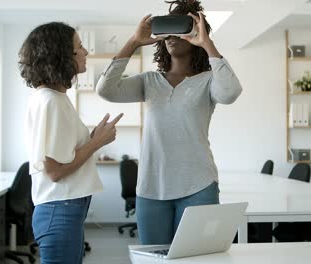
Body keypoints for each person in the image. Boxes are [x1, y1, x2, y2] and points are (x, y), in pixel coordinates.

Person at [96, 0, 242, 245]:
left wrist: (207, 43)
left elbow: (230, 92)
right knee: (154, 258)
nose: (172, 36)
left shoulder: (208, 81)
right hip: (152, 187)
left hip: (199, 186)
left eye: (180, 28)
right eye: (167, 30)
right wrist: (133, 42)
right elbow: (106, 90)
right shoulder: (149, 81)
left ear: (194, 32)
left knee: (197, 260)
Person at [21, 22, 123, 263]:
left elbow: (61, 155)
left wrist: (92, 138)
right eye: (80, 47)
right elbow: (55, 171)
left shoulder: (53, 97)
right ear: (60, 54)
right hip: (60, 209)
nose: (86, 52)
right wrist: (96, 143)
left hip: (64, 208)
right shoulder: (51, 101)